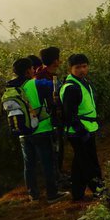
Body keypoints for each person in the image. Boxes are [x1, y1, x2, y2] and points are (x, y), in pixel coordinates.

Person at [7, 57, 63, 202]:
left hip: (23, 132)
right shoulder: (36, 84)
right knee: (48, 163)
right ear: (27, 71)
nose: (34, 70)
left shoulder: (11, 88)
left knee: (29, 165)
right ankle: (52, 194)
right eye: (32, 68)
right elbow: (57, 87)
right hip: (41, 129)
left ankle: (33, 195)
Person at [61, 53, 103, 201]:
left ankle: (77, 194)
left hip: (87, 128)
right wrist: (81, 131)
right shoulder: (71, 87)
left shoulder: (83, 82)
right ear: (70, 69)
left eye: (84, 66)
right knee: (89, 163)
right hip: (79, 132)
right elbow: (69, 114)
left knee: (80, 163)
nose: (82, 70)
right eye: (77, 67)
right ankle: (99, 190)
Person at [36, 46, 68, 191]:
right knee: (55, 151)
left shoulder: (44, 75)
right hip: (50, 120)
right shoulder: (44, 78)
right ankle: (57, 180)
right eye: (58, 58)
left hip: (54, 118)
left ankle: (59, 175)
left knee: (57, 149)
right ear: (55, 61)